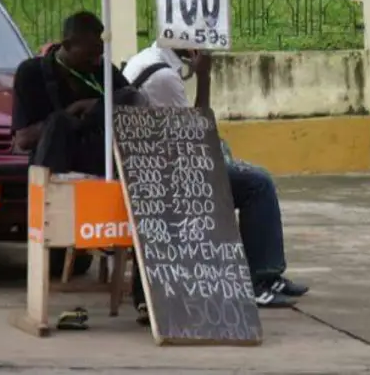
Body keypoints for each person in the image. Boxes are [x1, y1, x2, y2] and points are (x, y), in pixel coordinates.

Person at [122, 42, 309, 317]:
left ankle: (268, 275)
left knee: (242, 169)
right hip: (167, 174)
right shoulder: (164, 77)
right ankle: (260, 280)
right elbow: (196, 133)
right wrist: (204, 78)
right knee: (258, 183)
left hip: (158, 162)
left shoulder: (150, 58)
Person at [12, 10, 145, 177]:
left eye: (99, 54)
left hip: (99, 170)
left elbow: (133, 104)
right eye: (89, 55)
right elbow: (23, 140)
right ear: (67, 45)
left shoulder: (103, 70)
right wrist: (72, 112)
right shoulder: (32, 73)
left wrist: (100, 107)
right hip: (54, 170)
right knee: (59, 122)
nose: (96, 61)